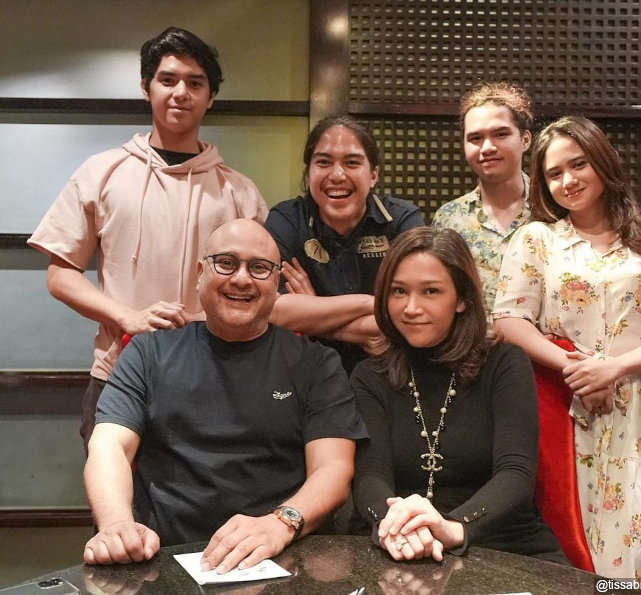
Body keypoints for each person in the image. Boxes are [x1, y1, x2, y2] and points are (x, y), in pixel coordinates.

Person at [27, 27, 268, 450]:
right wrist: (128, 317)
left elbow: (261, 289)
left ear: (210, 97)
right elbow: (60, 275)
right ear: (146, 87)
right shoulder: (101, 173)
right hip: (118, 373)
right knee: (114, 487)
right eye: (168, 80)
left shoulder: (239, 192)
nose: (181, 93)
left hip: (215, 377)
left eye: (195, 83)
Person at [82, 219, 367, 571]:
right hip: (166, 557)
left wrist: (280, 523)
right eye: (226, 263)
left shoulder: (316, 363)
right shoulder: (148, 353)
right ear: (200, 273)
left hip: (280, 556)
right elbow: (110, 445)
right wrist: (116, 525)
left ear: (276, 282)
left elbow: (333, 467)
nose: (242, 279)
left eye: (259, 268)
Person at [493, 116, 641, 578]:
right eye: (553, 173)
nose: (567, 180)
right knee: (580, 543)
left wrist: (615, 368)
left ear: (603, 162)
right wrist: (580, 370)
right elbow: (509, 320)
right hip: (571, 406)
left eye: (578, 164)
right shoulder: (537, 240)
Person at [351, 227, 566, 564]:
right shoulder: (370, 375)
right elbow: (370, 476)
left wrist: (455, 527)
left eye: (431, 291)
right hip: (404, 542)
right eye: (398, 291)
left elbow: (516, 474)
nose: (411, 307)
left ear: (462, 299)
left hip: (504, 542)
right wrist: (392, 526)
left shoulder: (503, 363)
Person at [265, 115, 425, 372]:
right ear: (308, 172)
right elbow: (271, 309)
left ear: (373, 175)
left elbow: (414, 313)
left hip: (389, 371)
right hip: (306, 369)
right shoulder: (287, 220)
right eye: (324, 162)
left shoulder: (401, 220)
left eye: (352, 163)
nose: (337, 175)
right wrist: (372, 304)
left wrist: (313, 315)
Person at [432, 81, 533, 323]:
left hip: (541, 345)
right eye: (475, 138)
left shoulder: (553, 209)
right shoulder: (449, 218)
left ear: (525, 140)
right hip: (471, 346)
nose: (487, 147)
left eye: (500, 134)